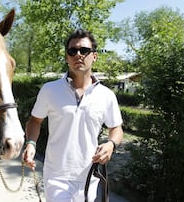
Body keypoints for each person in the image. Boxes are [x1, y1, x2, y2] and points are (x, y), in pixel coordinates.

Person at [22, 29, 123, 202]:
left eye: (84, 50)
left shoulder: (106, 95)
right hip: (56, 175)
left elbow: (116, 128)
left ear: (94, 56)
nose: (78, 55)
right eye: (72, 51)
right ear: (67, 57)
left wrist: (111, 144)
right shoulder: (50, 90)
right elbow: (34, 120)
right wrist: (31, 144)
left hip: (90, 175)